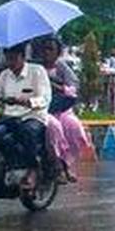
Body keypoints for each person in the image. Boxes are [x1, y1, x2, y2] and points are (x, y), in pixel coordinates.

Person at [0, 43, 50, 191]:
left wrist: (26, 101)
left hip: (32, 116)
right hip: (10, 117)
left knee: (28, 131)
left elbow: (45, 99)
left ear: (23, 57)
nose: (10, 63)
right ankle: (0, 167)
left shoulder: (37, 71)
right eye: (7, 59)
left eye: (13, 59)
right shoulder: (4, 75)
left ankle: (33, 169)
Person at [35, 37, 89, 183]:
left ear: (57, 52)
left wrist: (57, 87)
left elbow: (73, 90)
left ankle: (67, 165)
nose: (46, 53)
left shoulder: (62, 68)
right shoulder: (36, 69)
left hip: (62, 108)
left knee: (73, 126)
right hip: (41, 108)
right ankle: (56, 164)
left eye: (50, 49)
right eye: (44, 49)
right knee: (53, 127)